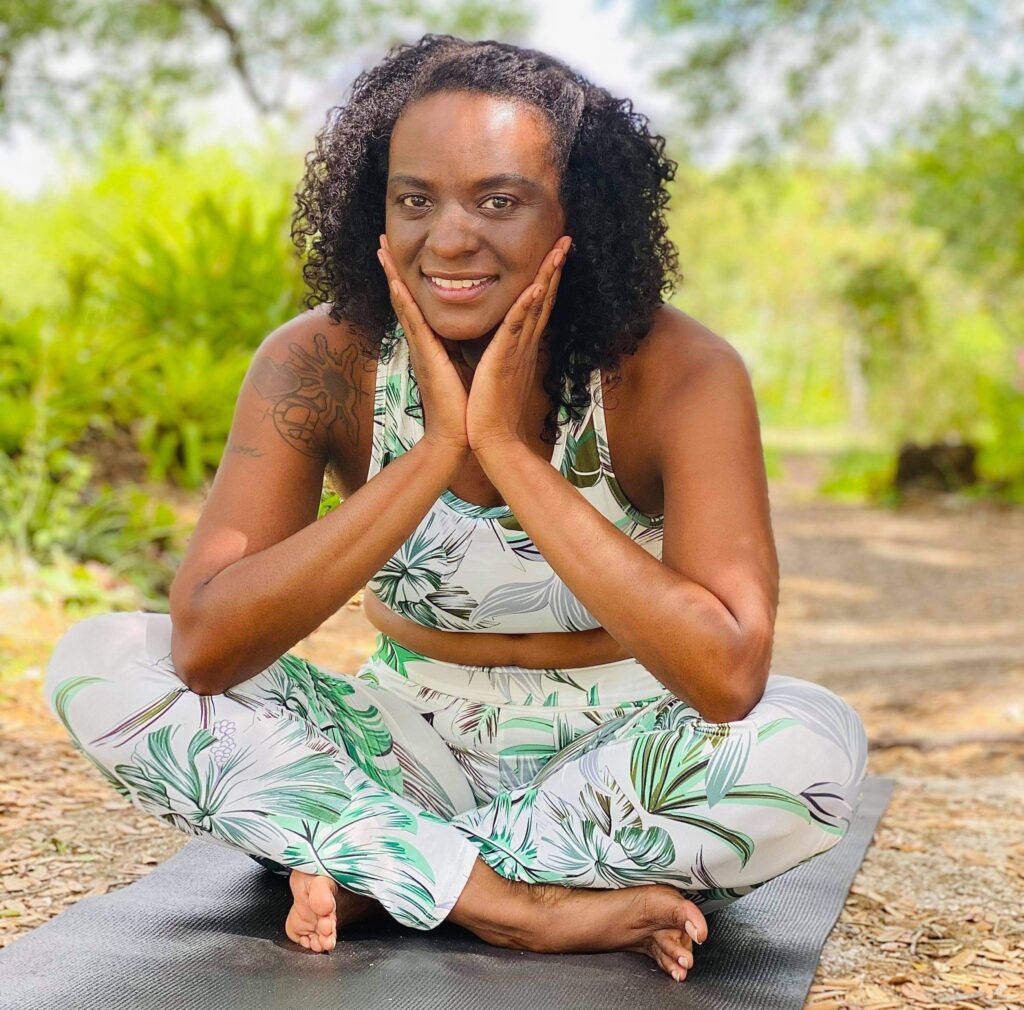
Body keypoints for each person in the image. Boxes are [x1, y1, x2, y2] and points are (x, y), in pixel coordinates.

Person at [44, 35, 868, 985]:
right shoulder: (318, 363)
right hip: (399, 746)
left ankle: (384, 871)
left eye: (500, 201)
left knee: (815, 743)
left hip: (619, 767)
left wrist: (508, 451)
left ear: (580, 214)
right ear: (375, 209)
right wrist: (434, 451)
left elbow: (726, 677)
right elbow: (204, 648)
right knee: (101, 662)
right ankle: (508, 903)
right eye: (415, 200)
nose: (449, 239)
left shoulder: (681, 374)